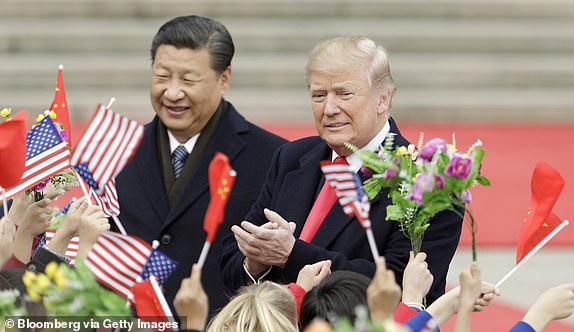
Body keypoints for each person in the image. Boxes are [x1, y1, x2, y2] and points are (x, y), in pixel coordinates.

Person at [220, 36, 462, 303]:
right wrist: (256, 263)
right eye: (319, 96)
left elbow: (400, 287)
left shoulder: (428, 181)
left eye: (344, 94)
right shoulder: (291, 158)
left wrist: (292, 254)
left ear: (383, 99)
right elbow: (232, 260)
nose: (329, 109)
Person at [114, 15, 287, 314]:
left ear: (224, 79)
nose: (172, 92)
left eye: (188, 79)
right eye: (162, 76)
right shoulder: (118, 149)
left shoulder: (272, 156)